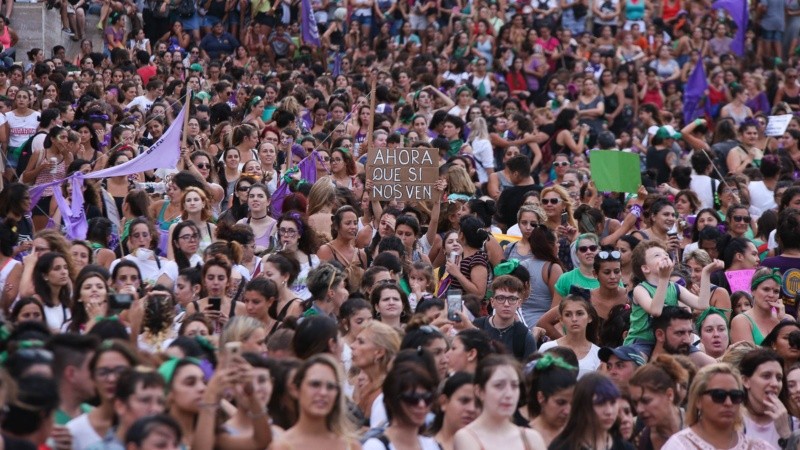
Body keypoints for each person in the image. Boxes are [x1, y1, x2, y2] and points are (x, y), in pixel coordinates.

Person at [662, 363, 772, 450]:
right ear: (698, 400)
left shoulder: (759, 447)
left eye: (735, 396)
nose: (728, 403)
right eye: (719, 395)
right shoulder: (679, 446)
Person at [453, 354, 546, 450]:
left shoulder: (532, 438)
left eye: (514, 386)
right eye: (499, 386)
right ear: (479, 391)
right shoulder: (466, 438)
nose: (508, 394)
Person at [270, 354, 359, 450]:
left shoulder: (350, 446)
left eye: (330, 387)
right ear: (295, 389)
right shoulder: (281, 446)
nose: (323, 393)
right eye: (315, 384)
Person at [627, 355, 689, 450]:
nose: (639, 409)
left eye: (646, 401)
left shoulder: (699, 427)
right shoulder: (641, 440)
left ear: (669, 395)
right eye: (635, 403)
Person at [469, 275, 537, 361]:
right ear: (492, 302)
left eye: (512, 299)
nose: (506, 304)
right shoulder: (476, 326)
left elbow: (530, 370)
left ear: (519, 303)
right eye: (501, 298)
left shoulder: (524, 336)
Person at [539, 293, 602, 377]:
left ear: (589, 318)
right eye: (568, 315)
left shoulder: (598, 354)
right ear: (561, 320)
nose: (574, 319)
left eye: (579, 314)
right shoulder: (547, 348)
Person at [525, 354, 578, 446]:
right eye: (561, 402)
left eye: (573, 403)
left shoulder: (578, 436)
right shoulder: (523, 439)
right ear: (541, 397)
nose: (567, 411)